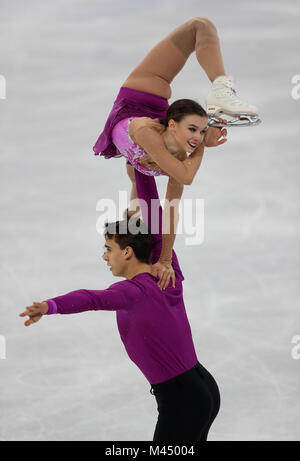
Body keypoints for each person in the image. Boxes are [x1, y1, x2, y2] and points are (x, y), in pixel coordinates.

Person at [19, 168, 221, 442]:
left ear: (126, 252)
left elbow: (91, 299)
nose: (104, 256)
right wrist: (139, 171)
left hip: (181, 399)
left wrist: (49, 306)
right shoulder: (167, 270)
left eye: (107, 249)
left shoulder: (132, 291)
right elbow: (149, 215)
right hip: (201, 388)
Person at [92, 17, 259, 288]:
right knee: (199, 26)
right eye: (193, 130)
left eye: (199, 131)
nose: (196, 138)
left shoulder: (157, 148)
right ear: (172, 123)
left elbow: (171, 200)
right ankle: (218, 94)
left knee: (200, 26)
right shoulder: (157, 143)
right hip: (147, 107)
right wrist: (203, 140)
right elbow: (177, 191)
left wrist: (165, 257)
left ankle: (220, 88)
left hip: (140, 95)